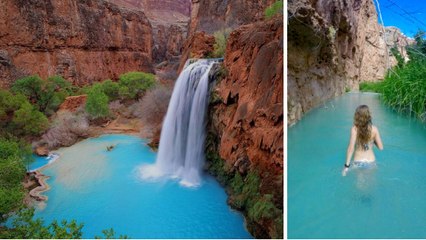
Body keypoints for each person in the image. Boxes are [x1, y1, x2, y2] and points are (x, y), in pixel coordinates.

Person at [342, 105, 383, 176]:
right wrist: (372, 140)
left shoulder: (355, 129)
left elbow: (350, 149)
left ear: (357, 116)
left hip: (358, 161)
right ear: (369, 115)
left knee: (360, 185)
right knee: (371, 185)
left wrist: (346, 166)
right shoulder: (374, 129)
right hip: (371, 161)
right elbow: (381, 148)